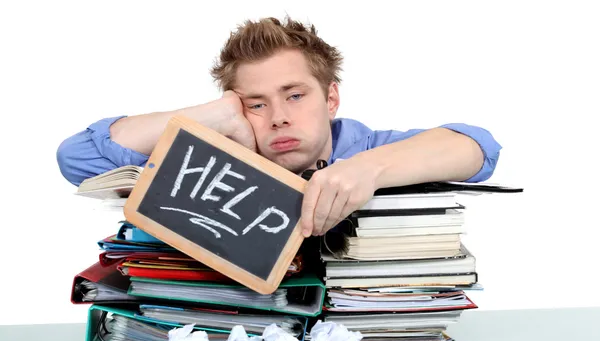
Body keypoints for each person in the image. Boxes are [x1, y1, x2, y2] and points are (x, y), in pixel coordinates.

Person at [56, 16, 501, 238]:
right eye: (256, 103)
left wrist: (371, 169)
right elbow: (77, 158)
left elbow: (478, 150)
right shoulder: (211, 155)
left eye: (294, 95)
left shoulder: (364, 147)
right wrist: (214, 117)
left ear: (331, 98)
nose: (279, 117)